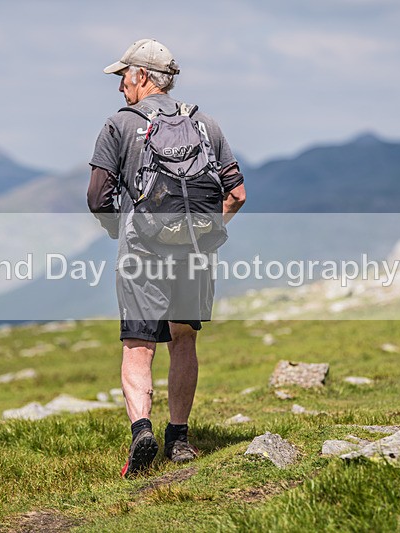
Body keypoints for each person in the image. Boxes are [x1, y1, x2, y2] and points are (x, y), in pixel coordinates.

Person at [87, 38, 246, 478]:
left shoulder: (119, 125)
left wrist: (124, 232)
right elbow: (237, 193)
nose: (120, 86)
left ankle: (142, 432)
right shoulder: (205, 124)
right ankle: (178, 439)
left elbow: (98, 198)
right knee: (183, 339)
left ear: (141, 77)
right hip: (194, 253)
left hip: (142, 251)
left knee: (138, 346)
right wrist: (207, 232)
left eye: (123, 76)